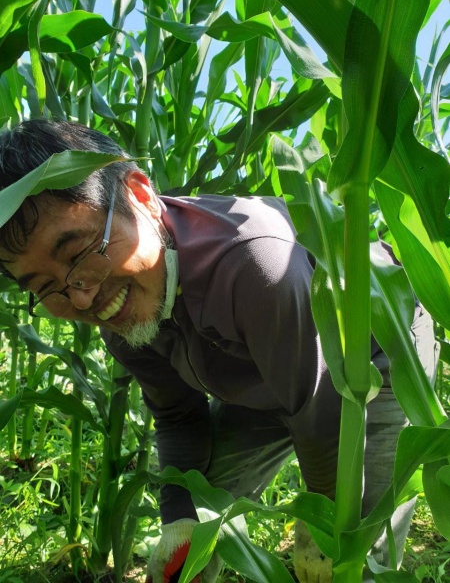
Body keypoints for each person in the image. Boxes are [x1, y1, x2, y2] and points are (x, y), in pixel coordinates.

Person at [0, 119, 438, 583]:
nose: (82, 297)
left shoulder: (253, 263)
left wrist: (326, 526)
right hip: (267, 378)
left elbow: (321, 411)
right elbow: (178, 417)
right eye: (47, 287)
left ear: (141, 196)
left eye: (80, 253)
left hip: (369, 361)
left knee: (357, 551)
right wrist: (180, 518)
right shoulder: (118, 311)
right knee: (199, 513)